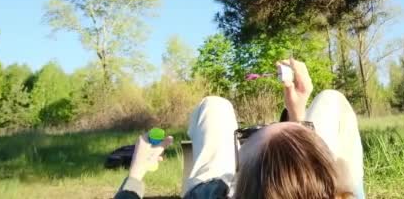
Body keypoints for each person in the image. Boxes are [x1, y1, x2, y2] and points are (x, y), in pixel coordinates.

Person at [115, 59, 365, 199]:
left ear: (237, 187)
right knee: (331, 100)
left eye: (245, 144)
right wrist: (297, 113)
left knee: (214, 106)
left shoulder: (212, 194)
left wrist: (136, 174)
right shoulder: (336, 191)